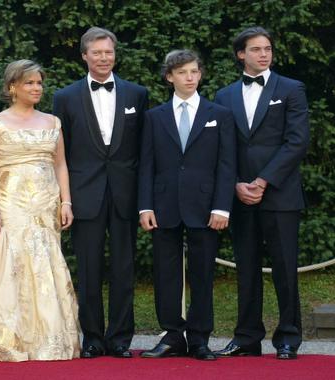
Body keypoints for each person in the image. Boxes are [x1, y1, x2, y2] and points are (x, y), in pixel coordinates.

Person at [0, 59, 81, 362]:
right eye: (29, 83)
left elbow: (61, 164)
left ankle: (49, 340)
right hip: (10, 204)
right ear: (12, 87)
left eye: (39, 82)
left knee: (45, 265)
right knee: (9, 267)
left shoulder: (52, 122)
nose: (37, 88)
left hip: (45, 205)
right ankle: (4, 340)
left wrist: (66, 202)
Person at [213, 26, 309, 360]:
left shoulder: (292, 89)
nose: (263, 54)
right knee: (246, 269)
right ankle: (247, 338)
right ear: (241, 54)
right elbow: (223, 148)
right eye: (255, 49)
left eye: (267, 48)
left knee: (285, 268)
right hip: (241, 196)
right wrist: (237, 184)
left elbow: (297, 141)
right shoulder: (224, 96)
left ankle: (288, 338)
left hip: (280, 194)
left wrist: (263, 181)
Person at [53, 27, 148, 359]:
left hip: (125, 194)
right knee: (89, 270)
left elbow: (144, 151)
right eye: (97, 53)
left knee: (124, 269)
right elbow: (59, 153)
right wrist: (63, 198)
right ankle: (92, 337)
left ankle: (121, 338)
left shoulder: (138, 94)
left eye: (108, 52)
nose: (104, 58)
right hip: (84, 194)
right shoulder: (64, 97)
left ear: (115, 54)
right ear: (84, 56)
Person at [138, 50, 236, 360]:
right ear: (170, 77)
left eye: (194, 71)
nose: (190, 77)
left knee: (203, 274)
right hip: (164, 205)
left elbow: (226, 164)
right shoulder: (154, 116)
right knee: (166, 274)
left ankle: (199, 339)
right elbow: (146, 165)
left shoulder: (219, 114)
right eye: (182, 72)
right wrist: (145, 206)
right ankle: (171, 336)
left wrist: (222, 207)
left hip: (206, 207)